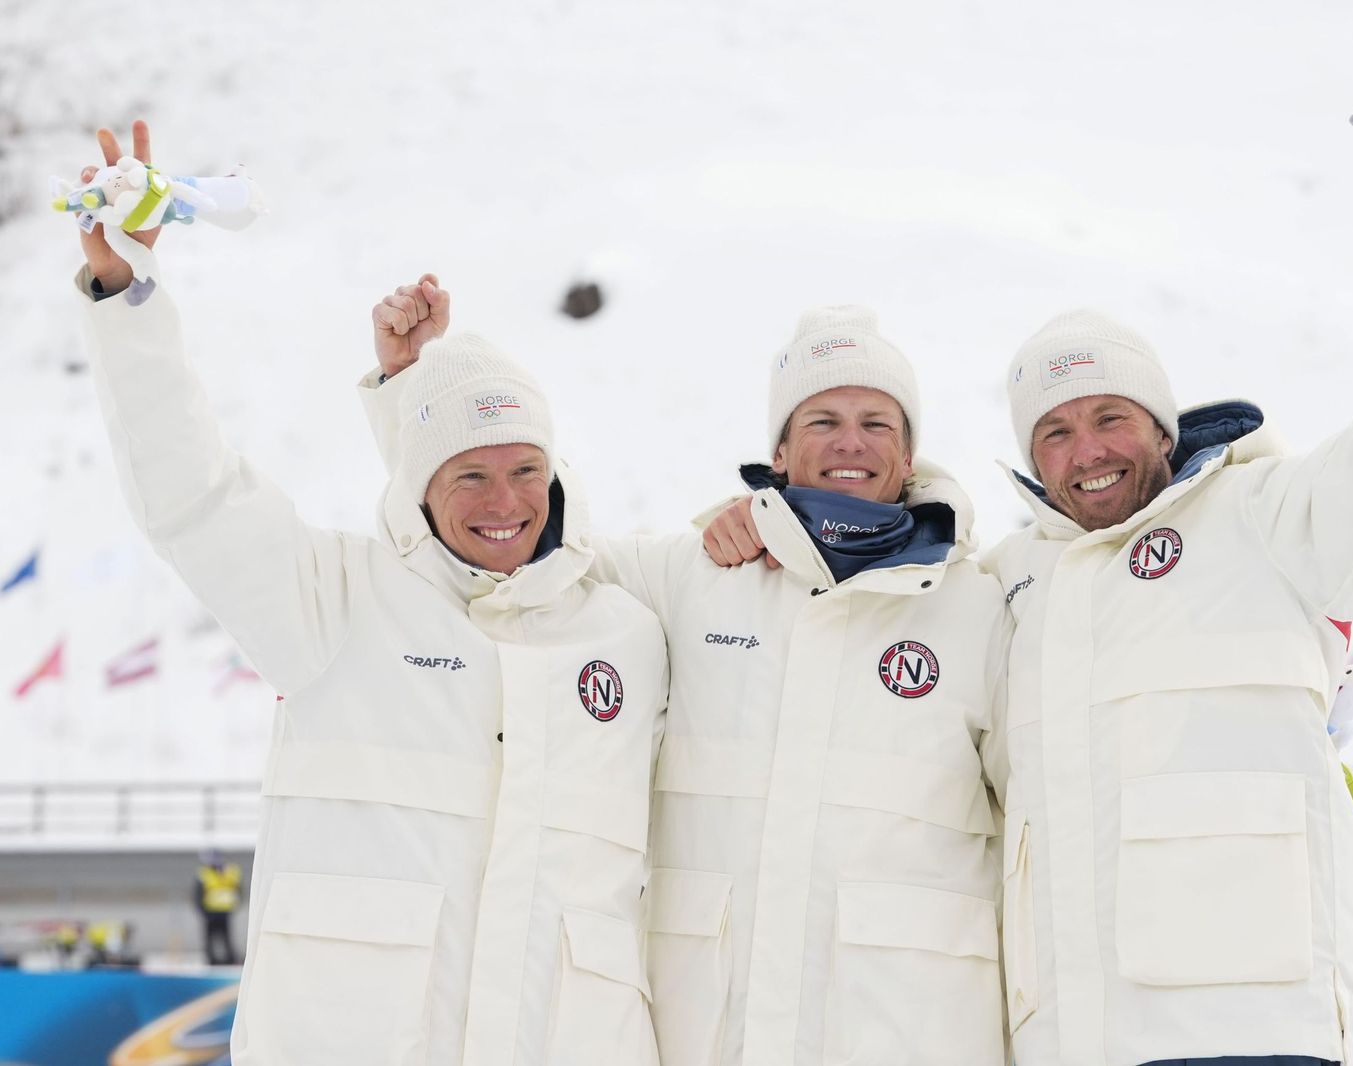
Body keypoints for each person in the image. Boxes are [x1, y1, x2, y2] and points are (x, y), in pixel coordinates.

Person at [74, 122, 667, 1066]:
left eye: (525, 469)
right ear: (417, 484)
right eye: (468, 476)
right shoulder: (335, 602)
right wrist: (127, 296)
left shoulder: (629, 632)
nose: (506, 502)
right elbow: (193, 494)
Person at [984, 68, 1353, 1065]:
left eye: (1109, 416)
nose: (1086, 448)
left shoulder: (1273, 520)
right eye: (1054, 431)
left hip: (1253, 1034)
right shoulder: (1007, 582)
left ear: (1160, 424)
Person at [365, 305, 1011, 1065]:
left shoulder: (979, 607)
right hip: (708, 1032)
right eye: (821, 420)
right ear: (777, 452)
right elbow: (503, 536)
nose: (849, 442)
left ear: (910, 458)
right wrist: (418, 396)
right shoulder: (692, 577)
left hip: (908, 1033)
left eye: (877, 422)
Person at [194, 850, 241, 965]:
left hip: (225, 911)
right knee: (210, 938)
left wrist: (236, 904)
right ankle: (211, 959)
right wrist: (202, 910)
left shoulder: (231, 872)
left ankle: (230, 958)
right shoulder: (204, 873)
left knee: (226, 937)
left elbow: (238, 889)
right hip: (210, 912)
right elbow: (198, 894)